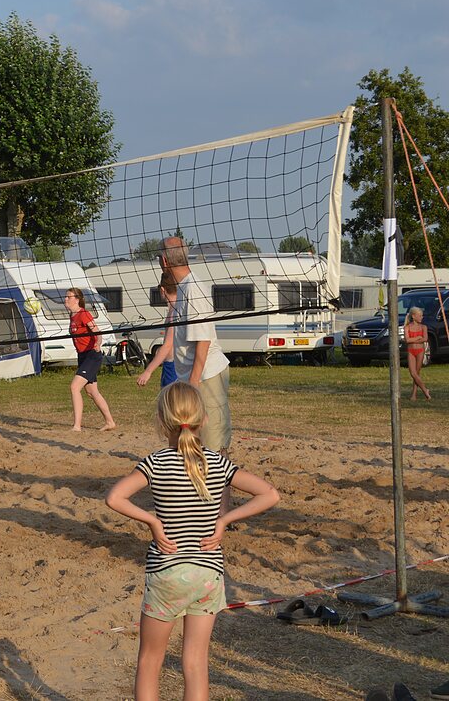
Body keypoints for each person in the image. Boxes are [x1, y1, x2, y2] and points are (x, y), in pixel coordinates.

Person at [106, 382, 279, 701]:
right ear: (204, 420)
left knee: (149, 662)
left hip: (167, 572)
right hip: (207, 575)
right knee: (196, 663)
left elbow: (115, 497)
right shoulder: (218, 463)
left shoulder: (155, 463)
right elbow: (269, 493)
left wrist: (152, 520)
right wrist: (224, 519)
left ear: (161, 421)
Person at [160, 237, 231, 457]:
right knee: (194, 442)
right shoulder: (183, 288)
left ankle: (220, 490)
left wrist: (194, 383)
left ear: (164, 262)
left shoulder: (194, 289)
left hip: (205, 376)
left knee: (214, 444)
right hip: (195, 376)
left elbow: (203, 339)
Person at [65, 287, 115, 432]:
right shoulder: (72, 316)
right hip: (83, 356)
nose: (66, 299)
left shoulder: (83, 314)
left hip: (92, 354)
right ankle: (110, 422)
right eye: (66, 297)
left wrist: (98, 343)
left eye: (69, 297)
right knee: (92, 392)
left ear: (77, 299)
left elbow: (97, 332)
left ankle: (77, 426)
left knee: (74, 387)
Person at [137, 272, 179, 389]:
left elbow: (167, 346)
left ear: (162, 289)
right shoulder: (177, 308)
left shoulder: (174, 312)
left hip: (173, 366)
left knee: (170, 404)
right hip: (173, 365)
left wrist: (148, 371)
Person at [405, 306, 431, 401]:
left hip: (420, 351)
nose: (422, 317)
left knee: (417, 373)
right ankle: (425, 390)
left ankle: (414, 395)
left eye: (422, 315)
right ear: (414, 316)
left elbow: (425, 339)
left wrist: (416, 339)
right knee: (413, 373)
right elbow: (407, 340)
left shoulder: (424, 327)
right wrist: (418, 338)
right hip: (411, 351)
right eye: (420, 315)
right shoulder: (407, 327)